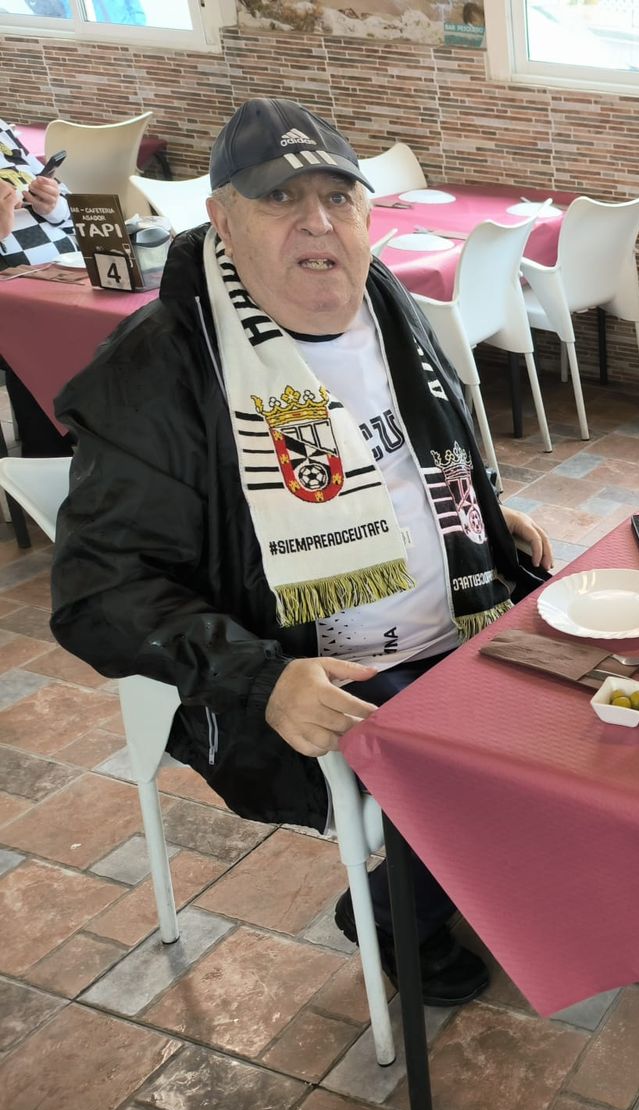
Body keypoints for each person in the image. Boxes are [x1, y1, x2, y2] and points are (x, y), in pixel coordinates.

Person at [50, 98, 553, 1006]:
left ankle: (444, 877)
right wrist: (256, 678)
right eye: (283, 199)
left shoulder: (383, 300)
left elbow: (414, 451)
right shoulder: (161, 367)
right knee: (482, 754)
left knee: (599, 704)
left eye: (338, 197)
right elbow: (99, 590)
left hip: (460, 609)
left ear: (370, 216)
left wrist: (480, 515)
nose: (318, 223)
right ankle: (400, 917)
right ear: (224, 221)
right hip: (308, 663)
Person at [1, 116, 76, 457]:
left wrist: (55, 205)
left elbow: (77, 214)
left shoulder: (3, 132)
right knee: (41, 337)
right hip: (20, 299)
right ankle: (50, 461)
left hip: (67, 274)